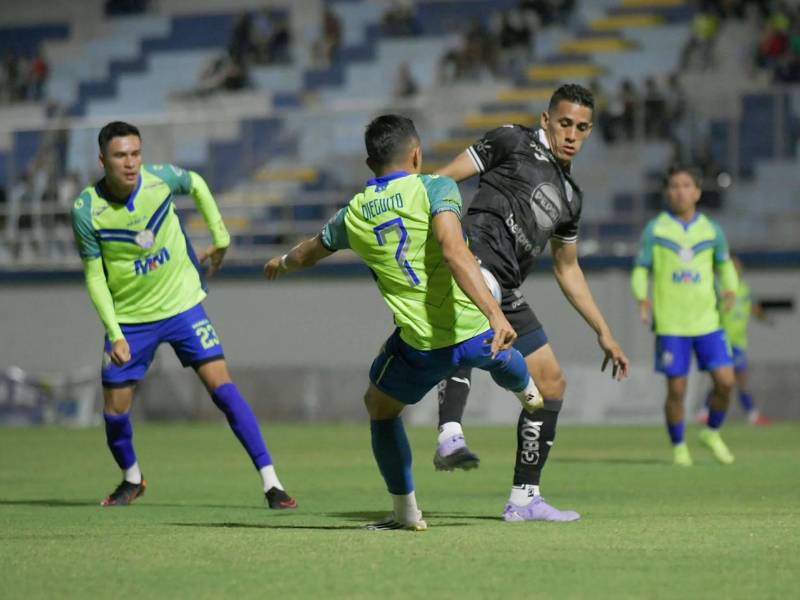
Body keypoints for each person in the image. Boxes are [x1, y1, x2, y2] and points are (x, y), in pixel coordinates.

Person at [264, 115, 544, 530]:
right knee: (497, 348)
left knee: (379, 407)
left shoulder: (353, 215)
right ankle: (526, 387)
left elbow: (308, 251)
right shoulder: (436, 187)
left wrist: (281, 263)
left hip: (422, 348)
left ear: (368, 162)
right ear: (416, 154)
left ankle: (406, 514)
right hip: (475, 331)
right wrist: (495, 313)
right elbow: (453, 249)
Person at [70, 121, 296, 509]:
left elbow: (196, 184)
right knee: (114, 412)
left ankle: (272, 483)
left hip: (182, 305)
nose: (131, 163)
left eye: (136, 154)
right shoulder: (87, 210)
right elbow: (94, 276)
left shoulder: (160, 180)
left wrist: (220, 237)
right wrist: (115, 332)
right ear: (102, 160)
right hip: (129, 319)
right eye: (120, 156)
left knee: (223, 389)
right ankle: (132, 478)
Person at [432, 83, 630, 522]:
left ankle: (524, 498)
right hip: (474, 260)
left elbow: (568, 268)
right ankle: (449, 433)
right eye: (564, 123)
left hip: (509, 288)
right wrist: (447, 243)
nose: (572, 134)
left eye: (581, 127)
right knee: (475, 325)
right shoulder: (511, 139)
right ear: (546, 120)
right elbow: (443, 180)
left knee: (553, 384)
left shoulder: (571, 197)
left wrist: (604, 330)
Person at [631, 164, 739, 467]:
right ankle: (679, 444)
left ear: (697, 192)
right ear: (667, 192)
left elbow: (724, 264)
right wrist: (642, 298)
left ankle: (712, 431)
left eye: (686, 185)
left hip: (707, 321)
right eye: (675, 186)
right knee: (677, 389)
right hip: (671, 323)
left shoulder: (712, 230)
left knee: (726, 381)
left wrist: (730, 288)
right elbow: (641, 268)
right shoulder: (656, 229)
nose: (680, 191)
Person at [697, 255, 771, 425]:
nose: (737, 270)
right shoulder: (718, 287)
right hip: (723, 340)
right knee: (723, 379)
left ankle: (708, 411)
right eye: (734, 267)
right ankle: (709, 411)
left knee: (737, 380)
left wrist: (764, 317)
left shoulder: (743, 289)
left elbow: (752, 308)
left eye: (738, 267)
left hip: (739, 342)